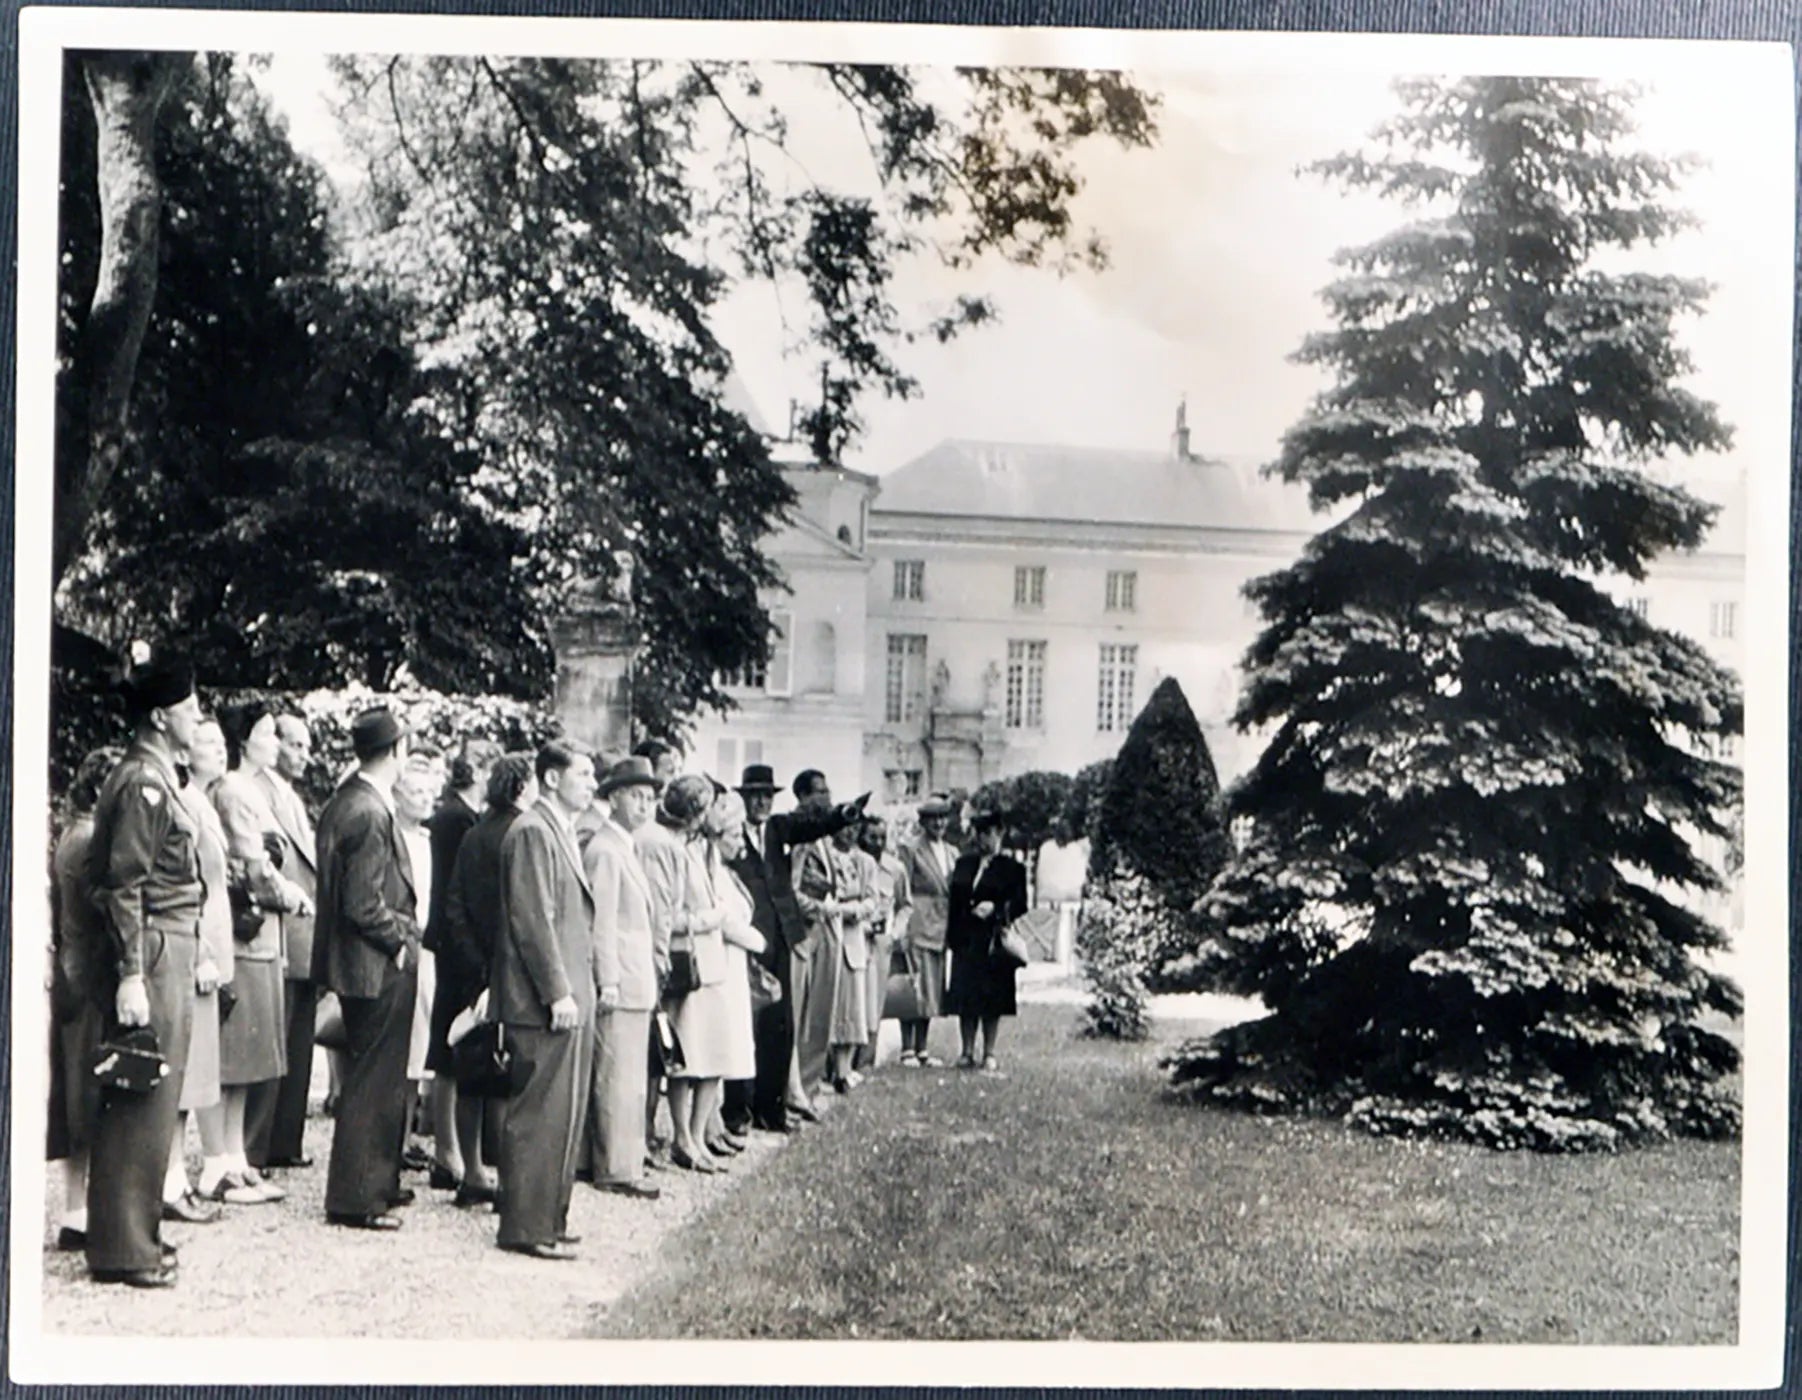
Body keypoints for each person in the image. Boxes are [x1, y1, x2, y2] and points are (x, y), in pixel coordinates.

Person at [83, 657, 205, 1288]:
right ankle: (124, 1247)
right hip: (153, 946)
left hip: (166, 944)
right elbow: (125, 884)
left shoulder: (154, 775)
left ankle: (137, 1233)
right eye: (191, 708)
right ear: (161, 716)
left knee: (152, 1096)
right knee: (139, 1092)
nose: (200, 717)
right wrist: (132, 973)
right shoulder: (143, 783)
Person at [314, 706, 421, 1231]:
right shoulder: (369, 811)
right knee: (373, 1079)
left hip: (365, 963)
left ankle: (377, 1181)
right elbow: (362, 902)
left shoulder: (348, 801)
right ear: (396, 751)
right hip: (376, 963)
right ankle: (358, 1197)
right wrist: (398, 941)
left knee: (377, 1075)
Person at [493, 741, 598, 1259]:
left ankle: (548, 1217)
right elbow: (532, 919)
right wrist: (557, 990)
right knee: (540, 1113)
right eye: (583, 773)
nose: (593, 783)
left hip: (569, 994)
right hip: (544, 1000)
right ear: (552, 778)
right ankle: (528, 1226)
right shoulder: (534, 830)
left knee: (563, 1113)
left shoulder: (559, 830)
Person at [207, 701, 307, 1204]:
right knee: (237, 1055)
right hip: (246, 934)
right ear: (244, 741)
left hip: (267, 936)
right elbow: (252, 864)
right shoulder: (232, 791)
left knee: (253, 1054)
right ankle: (221, 1160)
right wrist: (291, 894)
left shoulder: (256, 792)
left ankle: (237, 1158)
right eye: (267, 734)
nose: (274, 743)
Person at [435, 752, 535, 1208]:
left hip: (469, 968)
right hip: (508, 970)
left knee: (469, 1069)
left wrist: (474, 965)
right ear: (521, 787)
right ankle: (504, 1177)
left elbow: (454, 903)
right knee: (505, 1075)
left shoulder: (475, 833)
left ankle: (473, 1171)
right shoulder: (523, 833)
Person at [47, 745, 124, 1252]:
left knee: (79, 1095)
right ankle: (79, 1213)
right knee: (86, 1099)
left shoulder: (73, 834)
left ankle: (80, 1210)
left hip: (76, 974)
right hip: (89, 977)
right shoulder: (90, 839)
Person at [637, 773, 730, 1172]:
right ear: (695, 813)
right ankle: (680, 1136)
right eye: (709, 807)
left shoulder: (701, 848)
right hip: (684, 959)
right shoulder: (663, 845)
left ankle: (694, 1135)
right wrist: (709, 920)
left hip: (709, 964)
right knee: (683, 1054)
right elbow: (666, 913)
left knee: (713, 1052)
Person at [582, 755, 662, 1199]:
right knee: (616, 1076)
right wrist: (607, 979)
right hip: (621, 980)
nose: (645, 805)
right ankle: (614, 1166)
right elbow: (602, 922)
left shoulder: (625, 847)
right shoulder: (606, 851)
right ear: (613, 798)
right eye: (636, 795)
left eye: (650, 798)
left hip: (636, 978)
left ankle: (621, 1160)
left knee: (628, 1075)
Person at [244, 711, 319, 1171]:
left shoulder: (291, 796)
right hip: (282, 932)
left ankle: (283, 1141)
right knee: (272, 1044)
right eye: (295, 745)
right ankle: (257, 1146)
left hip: (304, 935)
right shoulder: (258, 791)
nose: (303, 755)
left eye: (307, 747)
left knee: (297, 1045)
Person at [161, 717, 229, 1219]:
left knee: (199, 1065)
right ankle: (170, 1180)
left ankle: (176, 1177)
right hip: (197, 939)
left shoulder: (204, 801)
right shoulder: (184, 802)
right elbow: (189, 884)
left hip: (214, 933)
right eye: (208, 742)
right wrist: (204, 951)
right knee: (187, 1067)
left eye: (223, 741)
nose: (219, 749)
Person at [781, 770, 871, 1112]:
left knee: (823, 1013)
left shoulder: (825, 838)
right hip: (809, 932)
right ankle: (797, 1088)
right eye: (817, 793)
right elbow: (791, 889)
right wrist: (820, 907)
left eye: (827, 790)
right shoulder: (802, 840)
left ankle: (810, 1085)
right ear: (803, 797)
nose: (825, 797)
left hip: (829, 932)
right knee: (804, 1013)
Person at [794, 817, 877, 1094]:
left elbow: (871, 902)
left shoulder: (864, 862)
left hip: (850, 934)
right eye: (844, 826)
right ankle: (823, 1071)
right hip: (824, 931)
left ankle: (844, 1068)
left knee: (852, 1004)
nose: (849, 832)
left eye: (855, 828)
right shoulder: (823, 854)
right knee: (826, 1001)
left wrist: (847, 909)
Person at [700, 791, 763, 1156]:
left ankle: (714, 1124)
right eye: (734, 835)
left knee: (730, 1046)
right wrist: (758, 941)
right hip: (721, 966)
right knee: (717, 1046)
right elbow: (725, 919)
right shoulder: (712, 872)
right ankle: (708, 1125)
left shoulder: (726, 872)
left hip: (734, 967)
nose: (740, 842)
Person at [945, 809, 1029, 1072]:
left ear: (1000, 834)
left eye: (989, 833)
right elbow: (954, 901)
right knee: (966, 997)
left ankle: (989, 1052)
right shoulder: (964, 864)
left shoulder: (1012, 868)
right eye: (979, 834)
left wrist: (996, 909)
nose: (983, 840)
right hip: (967, 937)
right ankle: (967, 1050)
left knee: (992, 998)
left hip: (993, 939)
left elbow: (1021, 903)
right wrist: (954, 933)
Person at [393, 758, 441, 1183]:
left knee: (419, 1044)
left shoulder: (429, 842)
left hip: (428, 948)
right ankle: (393, 1135)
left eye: (429, 793)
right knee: (402, 1041)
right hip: (403, 944)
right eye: (416, 792)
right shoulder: (392, 837)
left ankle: (407, 1134)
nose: (425, 800)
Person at [897, 794, 957, 1066]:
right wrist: (901, 925)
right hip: (918, 921)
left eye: (943, 817)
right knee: (913, 985)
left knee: (933, 987)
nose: (940, 823)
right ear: (923, 821)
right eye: (934, 818)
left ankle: (923, 1047)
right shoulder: (910, 849)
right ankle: (907, 1047)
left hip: (942, 924)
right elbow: (902, 888)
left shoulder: (952, 852)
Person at [856, 815, 911, 1072]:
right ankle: (843, 1063)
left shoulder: (895, 869)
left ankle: (867, 1061)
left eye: (881, 837)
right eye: (871, 837)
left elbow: (905, 905)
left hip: (880, 941)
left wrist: (896, 933)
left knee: (874, 1002)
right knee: (853, 998)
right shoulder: (852, 862)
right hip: (854, 936)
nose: (876, 843)